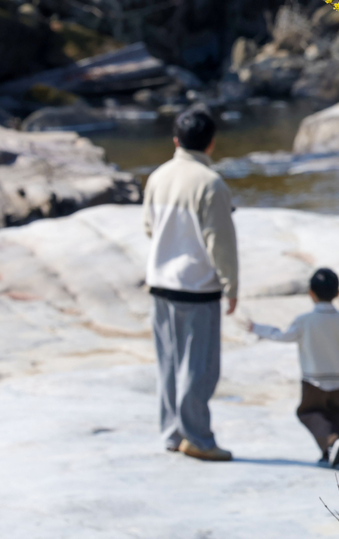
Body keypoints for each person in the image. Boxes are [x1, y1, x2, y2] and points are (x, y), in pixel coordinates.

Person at [144, 104, 238, 461]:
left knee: (168, 363)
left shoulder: (157, 176)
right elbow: (221, 243)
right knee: (199, 368)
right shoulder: (211, 184)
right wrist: (231, 286)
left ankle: (173, 433)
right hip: (197, 287)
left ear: (175, 141)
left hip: (160, 282)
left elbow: (149, 227)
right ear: (211, 144)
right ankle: (198, 438)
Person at [248, 268, 339, 469]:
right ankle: (333, 451)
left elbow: (282, 335)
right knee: (338, 414)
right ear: (338, 293)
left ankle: (330, 443)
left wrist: (258, 328)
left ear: (310, 293)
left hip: (313, 381)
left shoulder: (305, 321)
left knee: (308, 412)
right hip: (338, 380)